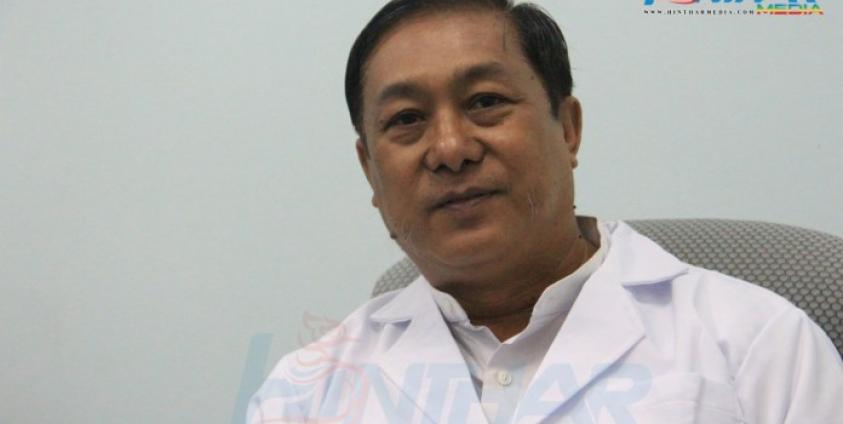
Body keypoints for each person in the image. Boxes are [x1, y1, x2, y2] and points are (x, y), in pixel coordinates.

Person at [249, 0, 843, 422]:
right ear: (370, 172)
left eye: (485, 102)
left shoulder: (759, 345)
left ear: (568, 129)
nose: (450, 149)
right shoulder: (304, 395)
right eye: (407, 119)